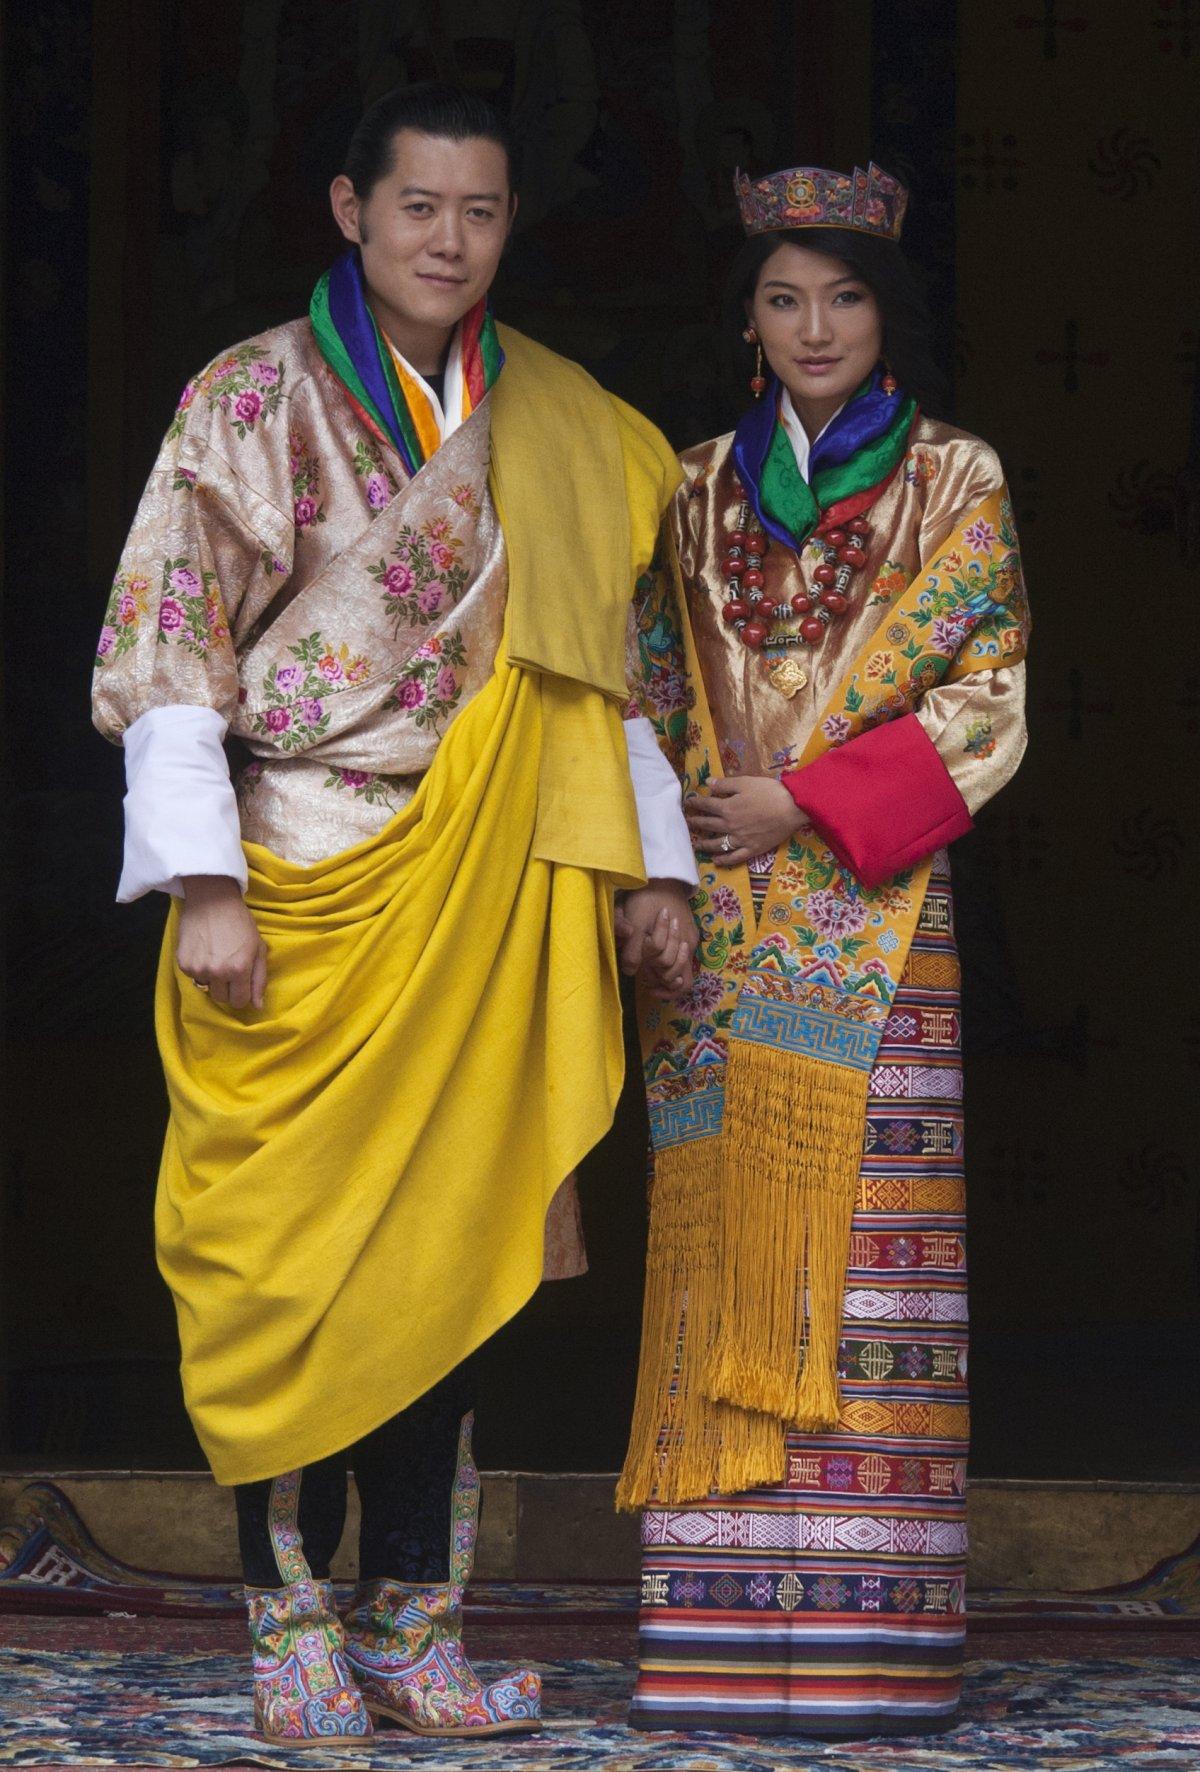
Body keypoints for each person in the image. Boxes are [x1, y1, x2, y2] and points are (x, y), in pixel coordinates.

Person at [91, 83, 696, 1743]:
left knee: (454, 1263)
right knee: (287, 1271)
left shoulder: (556, 418)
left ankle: (419, 1627)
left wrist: (652, 868)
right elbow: (165, 649)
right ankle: (290, 1632)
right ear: (352, 210)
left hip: (490, 888)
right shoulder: (250, 399)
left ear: (510, 228)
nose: (449, 239)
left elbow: (612, 677)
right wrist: (206, 883)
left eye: (481, 212)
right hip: (295, 880)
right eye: (419, 205)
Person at [617, 161, 1030, 1738]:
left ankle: (869, 1644)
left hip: (880, 912)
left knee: (866, 1275)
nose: (814, 326)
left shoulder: (958, 479)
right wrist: (664, 861)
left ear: (888, 312)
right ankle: (716, 1637)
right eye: (783, 298)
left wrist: (800, 801)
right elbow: (644, 692)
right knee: (726, 1252)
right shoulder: (692, 485)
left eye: (844, 297)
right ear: (745, 318)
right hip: (717, 923)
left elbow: (984, 703)